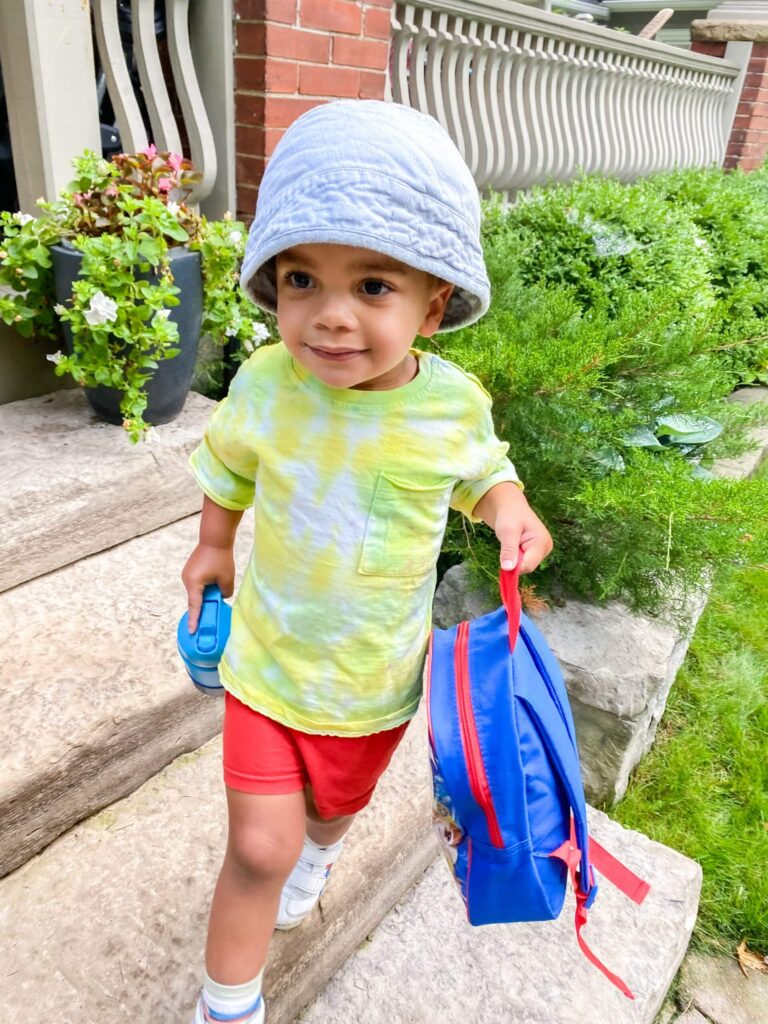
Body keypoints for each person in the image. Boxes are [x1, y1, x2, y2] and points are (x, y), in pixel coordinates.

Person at [182, 99, 552, 1024]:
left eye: (374, 287)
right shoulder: (267, 384)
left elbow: (483, 475)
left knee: (328, 815)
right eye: (302, 278)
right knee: (256, 849)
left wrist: (508, 508)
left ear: (434, 304)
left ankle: (319, 854)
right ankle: (229, 1005)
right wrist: (214, 544)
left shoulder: (449, 407)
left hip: (372, 682)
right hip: (267, 664)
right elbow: (227, 464)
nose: (330, 317)